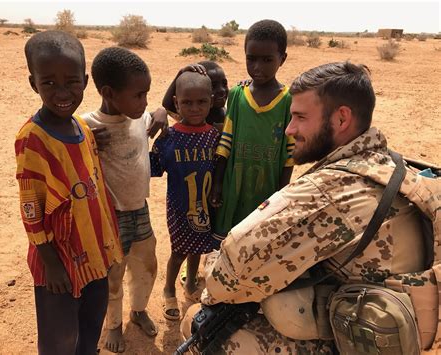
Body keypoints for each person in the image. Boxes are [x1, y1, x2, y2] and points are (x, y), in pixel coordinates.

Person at [181, 61, 427, 354]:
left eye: (299, 117)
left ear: (341, 119)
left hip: (352, 337)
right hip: (391, 328)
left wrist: (210, 265)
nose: (289, 129)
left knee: (197, 323)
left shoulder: (327, 192)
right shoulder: (397, 167)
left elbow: (224, 277)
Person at [15, 31, 122, 355]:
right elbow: (31, 209)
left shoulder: (82, 128)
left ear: (85, 80)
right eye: (49, 83)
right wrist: (52, 265)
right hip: (59, 260)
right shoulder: (32, 140)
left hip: (94, 252)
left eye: (72, 82)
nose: (62, 92)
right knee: (59, 338)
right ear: (34, 83)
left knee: (91, 325)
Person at [81, 46, 168, 353]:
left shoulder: (141, 116)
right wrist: (85, 143)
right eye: (139, 95)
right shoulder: (87, 126)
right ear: (108, 92)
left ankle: (139, 310)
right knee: (112, 275)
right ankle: (114, 325)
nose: (145, 102)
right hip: (110, 217)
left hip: (140, 210)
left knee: (147, 267)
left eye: (147, 95)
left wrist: (161, 111)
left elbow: (158, 109)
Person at [209, 19, 295, 243]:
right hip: (233, 184)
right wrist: (218, 184)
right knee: (226, 240)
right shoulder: (237, 94)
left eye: (267, 60)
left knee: (256, 241)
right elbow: (225, 143)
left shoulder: (288, 100)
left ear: (282, 59)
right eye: (251, 59)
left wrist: (281, 194)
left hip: (267, 188)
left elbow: (289, 153)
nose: (258, 67)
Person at [150, 71, 221, 321]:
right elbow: (153, 168)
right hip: (180, 208)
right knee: (179, 251)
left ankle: (191, 283)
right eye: (187, 103)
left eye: (201, 102)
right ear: (176, 103)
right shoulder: (170, 137)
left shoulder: (214, 137)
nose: (194, 108)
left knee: (199, 249)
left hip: (205, 206)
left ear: (210, 102)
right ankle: (169, 288)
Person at [162, 61, 229, 131]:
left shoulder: (225, 115)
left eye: (224, 84)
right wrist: (181, 73)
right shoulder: (194, 113)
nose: (222, 90)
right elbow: (167, 105)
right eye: (213, 86)